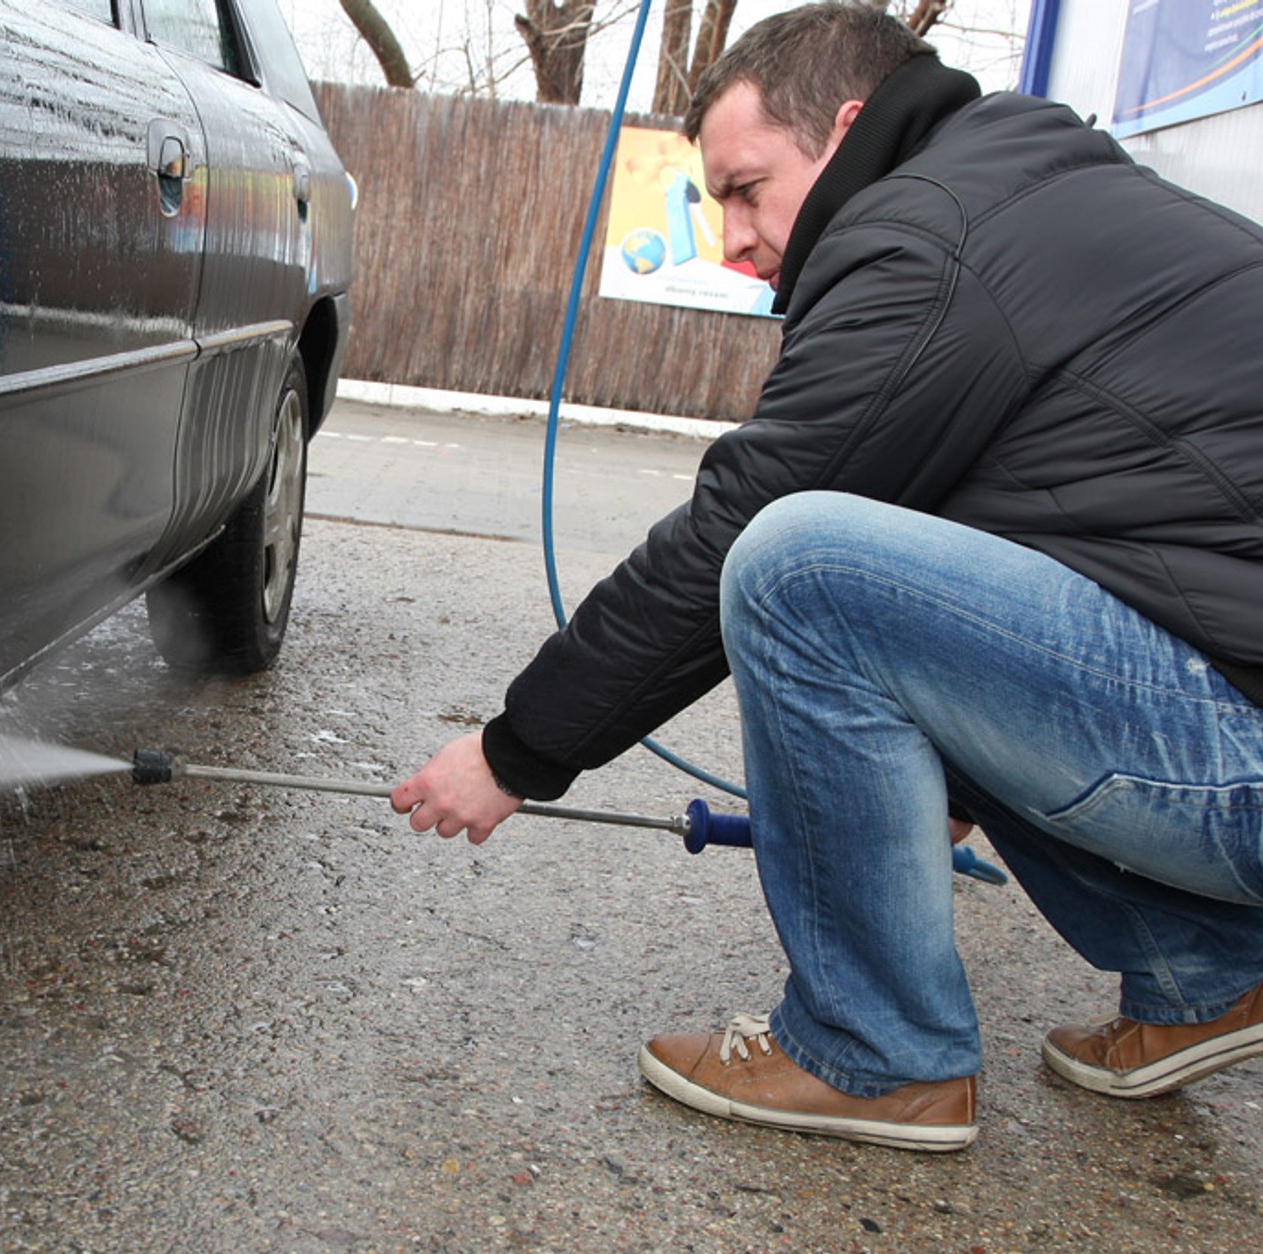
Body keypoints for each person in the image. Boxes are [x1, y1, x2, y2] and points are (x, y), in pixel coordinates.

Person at [390, 1, 1263, 1152]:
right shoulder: (1020, 185)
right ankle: (1203, 974)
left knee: (795, 562)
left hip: (1235, 754)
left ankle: (871, 1052)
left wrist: (515, 752)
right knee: (871, 572)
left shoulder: (926, 239)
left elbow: (735, 529)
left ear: (846, 128)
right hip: (1225, 706)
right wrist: (941, 757)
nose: (731, 240)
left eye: (744, 187)